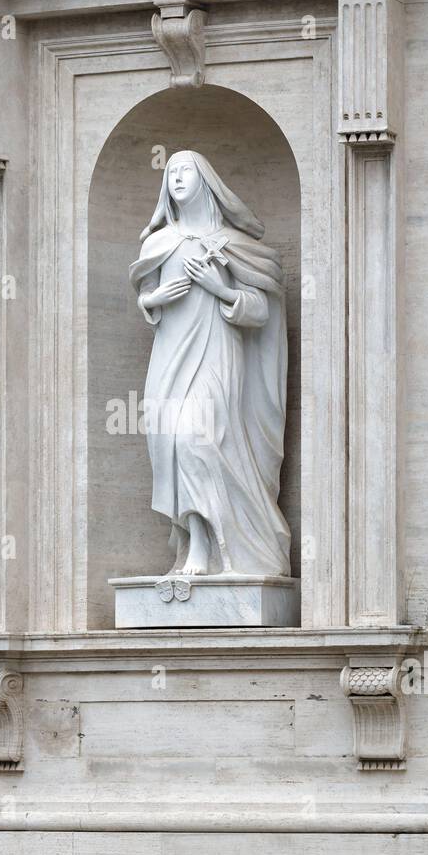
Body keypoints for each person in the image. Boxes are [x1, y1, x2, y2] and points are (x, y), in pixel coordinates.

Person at [129, 150, 291, 576]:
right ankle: (192, 544)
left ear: (206, 180)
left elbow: (261, 310)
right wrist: (154, 300)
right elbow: (147, 295)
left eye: (186, 170)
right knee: (171, 445)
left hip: (219, 354)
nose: (177, 178)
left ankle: (207, 546)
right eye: (171, 172)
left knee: (196, 440)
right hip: (170, 358)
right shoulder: (158, 243)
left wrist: (219, 288)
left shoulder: (232, 246)